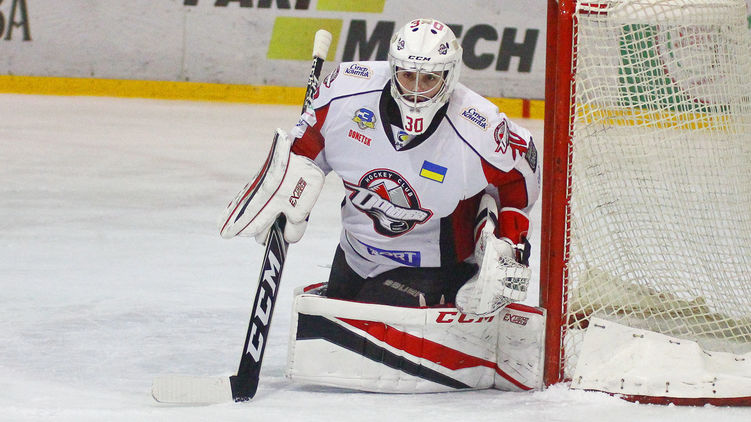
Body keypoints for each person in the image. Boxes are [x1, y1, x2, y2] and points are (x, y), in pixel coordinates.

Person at [220, 18, 540, 316]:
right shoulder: (347, 92)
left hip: (434, 264)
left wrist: (510, 239)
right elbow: (308, 147)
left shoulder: (478, 128)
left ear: (449, 76)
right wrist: (293, 184)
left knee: (366, 323)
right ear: (393, 68)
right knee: (334, 327)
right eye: (408, 75)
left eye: (429, 78)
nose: (416, 90)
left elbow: (521, 171)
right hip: (355, 253)